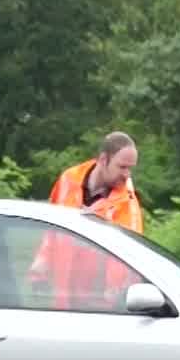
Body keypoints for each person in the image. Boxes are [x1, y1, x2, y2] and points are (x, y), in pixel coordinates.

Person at [27, 132, 145, 310]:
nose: (127, 175)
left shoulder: (127, 204)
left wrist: (118, 300)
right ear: (103, 160)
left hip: (99, 306)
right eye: (122, 167)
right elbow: (51, 232)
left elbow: (131, 260)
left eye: (130, 168)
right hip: (61, 299)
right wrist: (39, 274)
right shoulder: (68, 180)